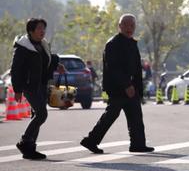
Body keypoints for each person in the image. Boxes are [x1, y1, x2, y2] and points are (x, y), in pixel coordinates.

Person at [80, 15, 153, 154]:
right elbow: (113, 68)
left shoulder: (132, 43)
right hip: (117, 88)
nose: (129, 28)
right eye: (126, 25)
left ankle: (138, 144)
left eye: (132, 25)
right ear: (120, 26)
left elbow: (137, 69)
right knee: (111, 115)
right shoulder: (113, 43)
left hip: (132, 88)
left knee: (136, 116)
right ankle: (90, 140)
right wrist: (126, 85)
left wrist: (139, 90)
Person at [11, 18, 66, 159]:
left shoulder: (42, 44)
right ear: (31, 31)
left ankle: (30, 149)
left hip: (41, 84)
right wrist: (17, 89)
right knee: (42, 114)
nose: (42, 31)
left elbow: (46, 61)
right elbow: (16, 69)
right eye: (39, 28)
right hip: (29, 86)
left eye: (43, 28)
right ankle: (25, 141)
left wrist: (57, 65)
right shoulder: (23, 47)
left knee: (37, 115)